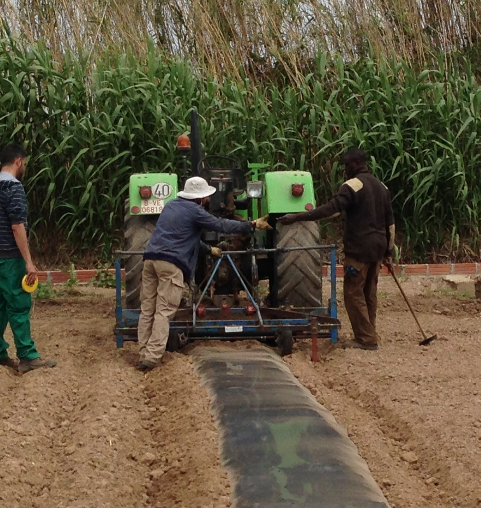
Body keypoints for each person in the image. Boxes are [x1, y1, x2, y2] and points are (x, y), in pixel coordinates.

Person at [137, 176, 272, 371]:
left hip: (150, 259)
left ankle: (143, 353)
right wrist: (251, 225)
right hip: (171, 263)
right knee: (164, 311)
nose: (208, 200)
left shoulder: (171, 206)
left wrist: (209, 250)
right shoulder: (195, 211)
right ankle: (152, 358)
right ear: (199, 198)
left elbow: (184, 237)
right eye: (206, 197)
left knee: (148, 308)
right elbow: (221, 225)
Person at [278, 148, 394, 350]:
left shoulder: (352, 186)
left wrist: (298, 216)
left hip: (359, 249)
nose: (345, 169)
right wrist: (389, 252)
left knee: (353, 293)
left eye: (346, 165)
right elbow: (390, 224)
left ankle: (365, 339)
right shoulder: (381, 186)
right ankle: (369, 333)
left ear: (355, 164)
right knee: (369, 293)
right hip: (378, 248)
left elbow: (331, 208)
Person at [0, 144, 57, 374]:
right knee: (19, 303)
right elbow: (17, 227)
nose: (24, 165)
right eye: (24, 162)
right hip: (10, 257)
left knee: (0, 303)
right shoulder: (13, 189)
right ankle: (27, 355)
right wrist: (29, 261)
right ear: (18, 161)